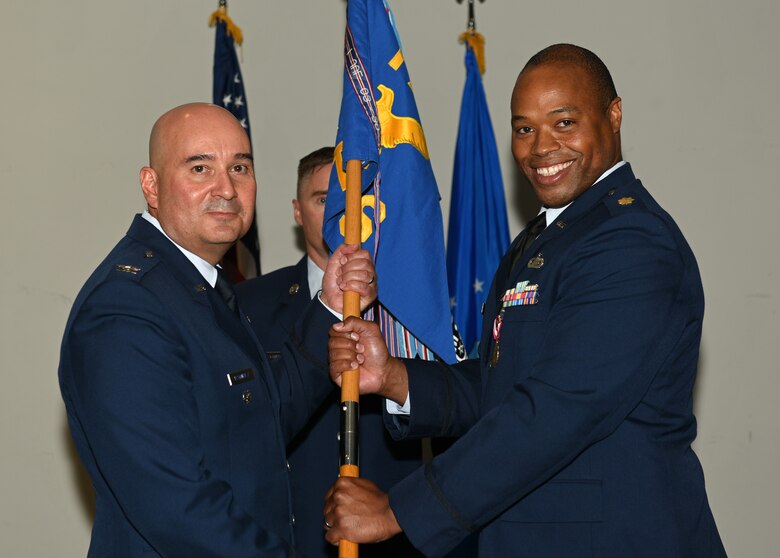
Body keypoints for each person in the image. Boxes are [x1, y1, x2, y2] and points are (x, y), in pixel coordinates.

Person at [325, 44, 726, 557]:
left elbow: (559, 409)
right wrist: (395, 378)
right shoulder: (542, 239)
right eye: (523, 128)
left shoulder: (632, 242)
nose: (541, 146)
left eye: (563, 122)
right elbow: (503, 387)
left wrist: (398, 510)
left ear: (614, 114)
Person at [58, 103, 377, 557]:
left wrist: (327, 305)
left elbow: (257, 421)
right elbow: (176, 507)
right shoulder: (126, 308)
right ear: (151, 186)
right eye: (200, 167)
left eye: (240, 167)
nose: (226, 188)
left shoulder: (197, 284)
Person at [236, 147, 423, 557]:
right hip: (286, 531)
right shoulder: (249, 305)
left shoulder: (413, 304)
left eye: (352, 200)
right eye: (324, 199)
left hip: (389, 529)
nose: (341, 212)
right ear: (297, 211)